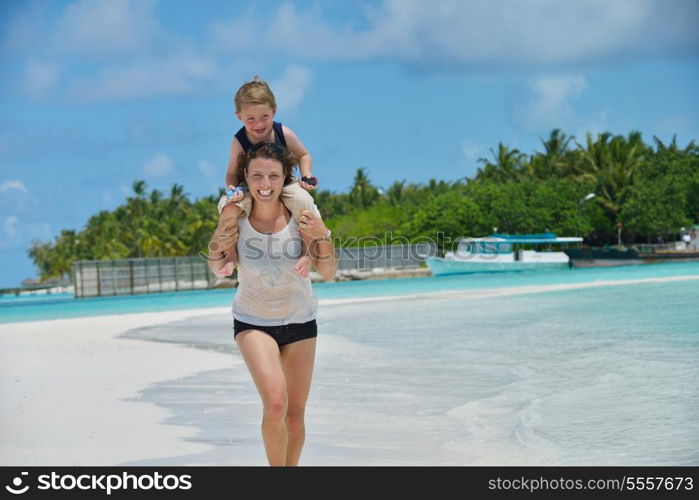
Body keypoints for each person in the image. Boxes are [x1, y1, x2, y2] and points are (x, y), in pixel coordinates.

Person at [208, 143, 336, 466]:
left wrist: (323, 235)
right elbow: (215, 263)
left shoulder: (301, 214)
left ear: (285, 178)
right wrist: (220, 238)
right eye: (258, 176)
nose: (265, 185)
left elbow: (330, 272)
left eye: (273, 177)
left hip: (301, 321)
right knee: (276, 405)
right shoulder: (236, 215)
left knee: (294, 418)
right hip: (253, 322)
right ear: (246, 178)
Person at [209, 76, 320, 276]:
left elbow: (304, 155)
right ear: (239, 117)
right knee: (227, 209)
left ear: (274, 111)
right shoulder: (239, 141)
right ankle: (231, 254)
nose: (258, 124)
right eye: (250, 119)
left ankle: (307, 252)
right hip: (249, 187)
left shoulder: (283, 132)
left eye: (264, 117)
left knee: (304, 201)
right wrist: (233, 191)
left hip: (285, 183)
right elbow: (232, 173)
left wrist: (306, 174)